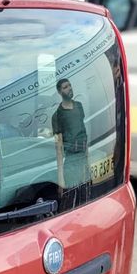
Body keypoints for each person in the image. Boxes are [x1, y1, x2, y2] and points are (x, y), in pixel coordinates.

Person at [52, 78, 88, 206]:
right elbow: (59, 148)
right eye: (65, 87)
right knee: (71, 202)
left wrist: (87, 164)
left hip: (83, 160)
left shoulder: (79, 106)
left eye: (70, 85)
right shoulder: (57, 115)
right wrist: (60, 180)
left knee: (86, 200)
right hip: (71, 163)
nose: (69, 88)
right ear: (59, 92)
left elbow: (84, 134)